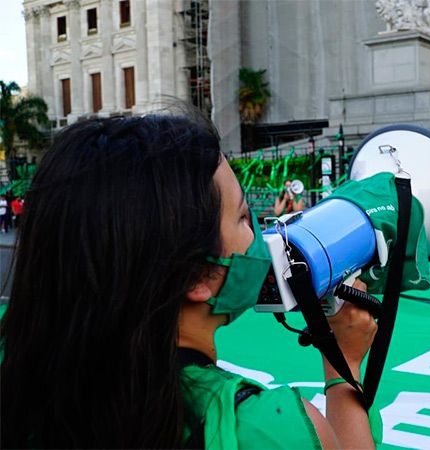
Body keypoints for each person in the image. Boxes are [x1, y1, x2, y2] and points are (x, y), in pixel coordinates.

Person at [0, 116, 377, 448]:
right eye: (244, 218)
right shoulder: (260, 429)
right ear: (197, 275)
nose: (262, 239)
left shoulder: (18, 371)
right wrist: (342, 361)